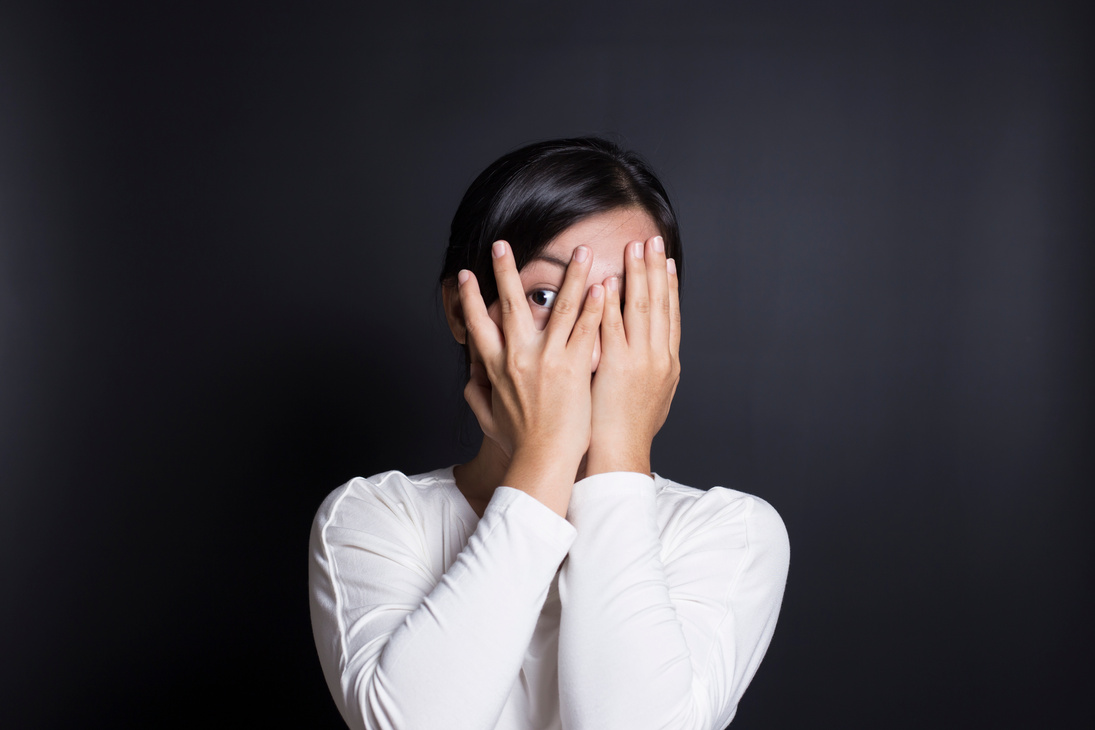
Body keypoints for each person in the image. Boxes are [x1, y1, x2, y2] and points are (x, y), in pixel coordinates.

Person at [308, 137, 790, 730]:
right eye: (545, 295)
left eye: (628, 301)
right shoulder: (374, 519)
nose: (587, 334)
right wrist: (547, 454)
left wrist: (616, 457)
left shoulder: (729, 533)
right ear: (464, 312)